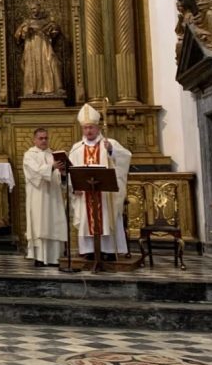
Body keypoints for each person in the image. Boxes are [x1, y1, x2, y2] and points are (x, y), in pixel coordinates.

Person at [68, 104, 131, 261]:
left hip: (105, 194)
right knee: (86, 218)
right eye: (85, 128)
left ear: (98, 128)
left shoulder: (110, 143)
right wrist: (74, 186)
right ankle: (89, 250)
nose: (88, 131)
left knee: (107, 218)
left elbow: (125, 157)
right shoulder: (76, 148)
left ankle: (108, 250)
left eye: (91, 127)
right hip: (85, 194)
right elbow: (72, 171)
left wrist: (111, 151)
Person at [23, 128, 67, 267]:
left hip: (53, 196)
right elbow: (34, 172)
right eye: (41, 138)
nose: (43, 141)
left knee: (54, 222)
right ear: (34, 139)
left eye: (46, 138)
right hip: (38, 195)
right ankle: (40, 258)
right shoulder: (29, 155)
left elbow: (60, 179)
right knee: (39, 223)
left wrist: (63, 173)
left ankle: (55, 258)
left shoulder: (54, 155)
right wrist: (52, 167)